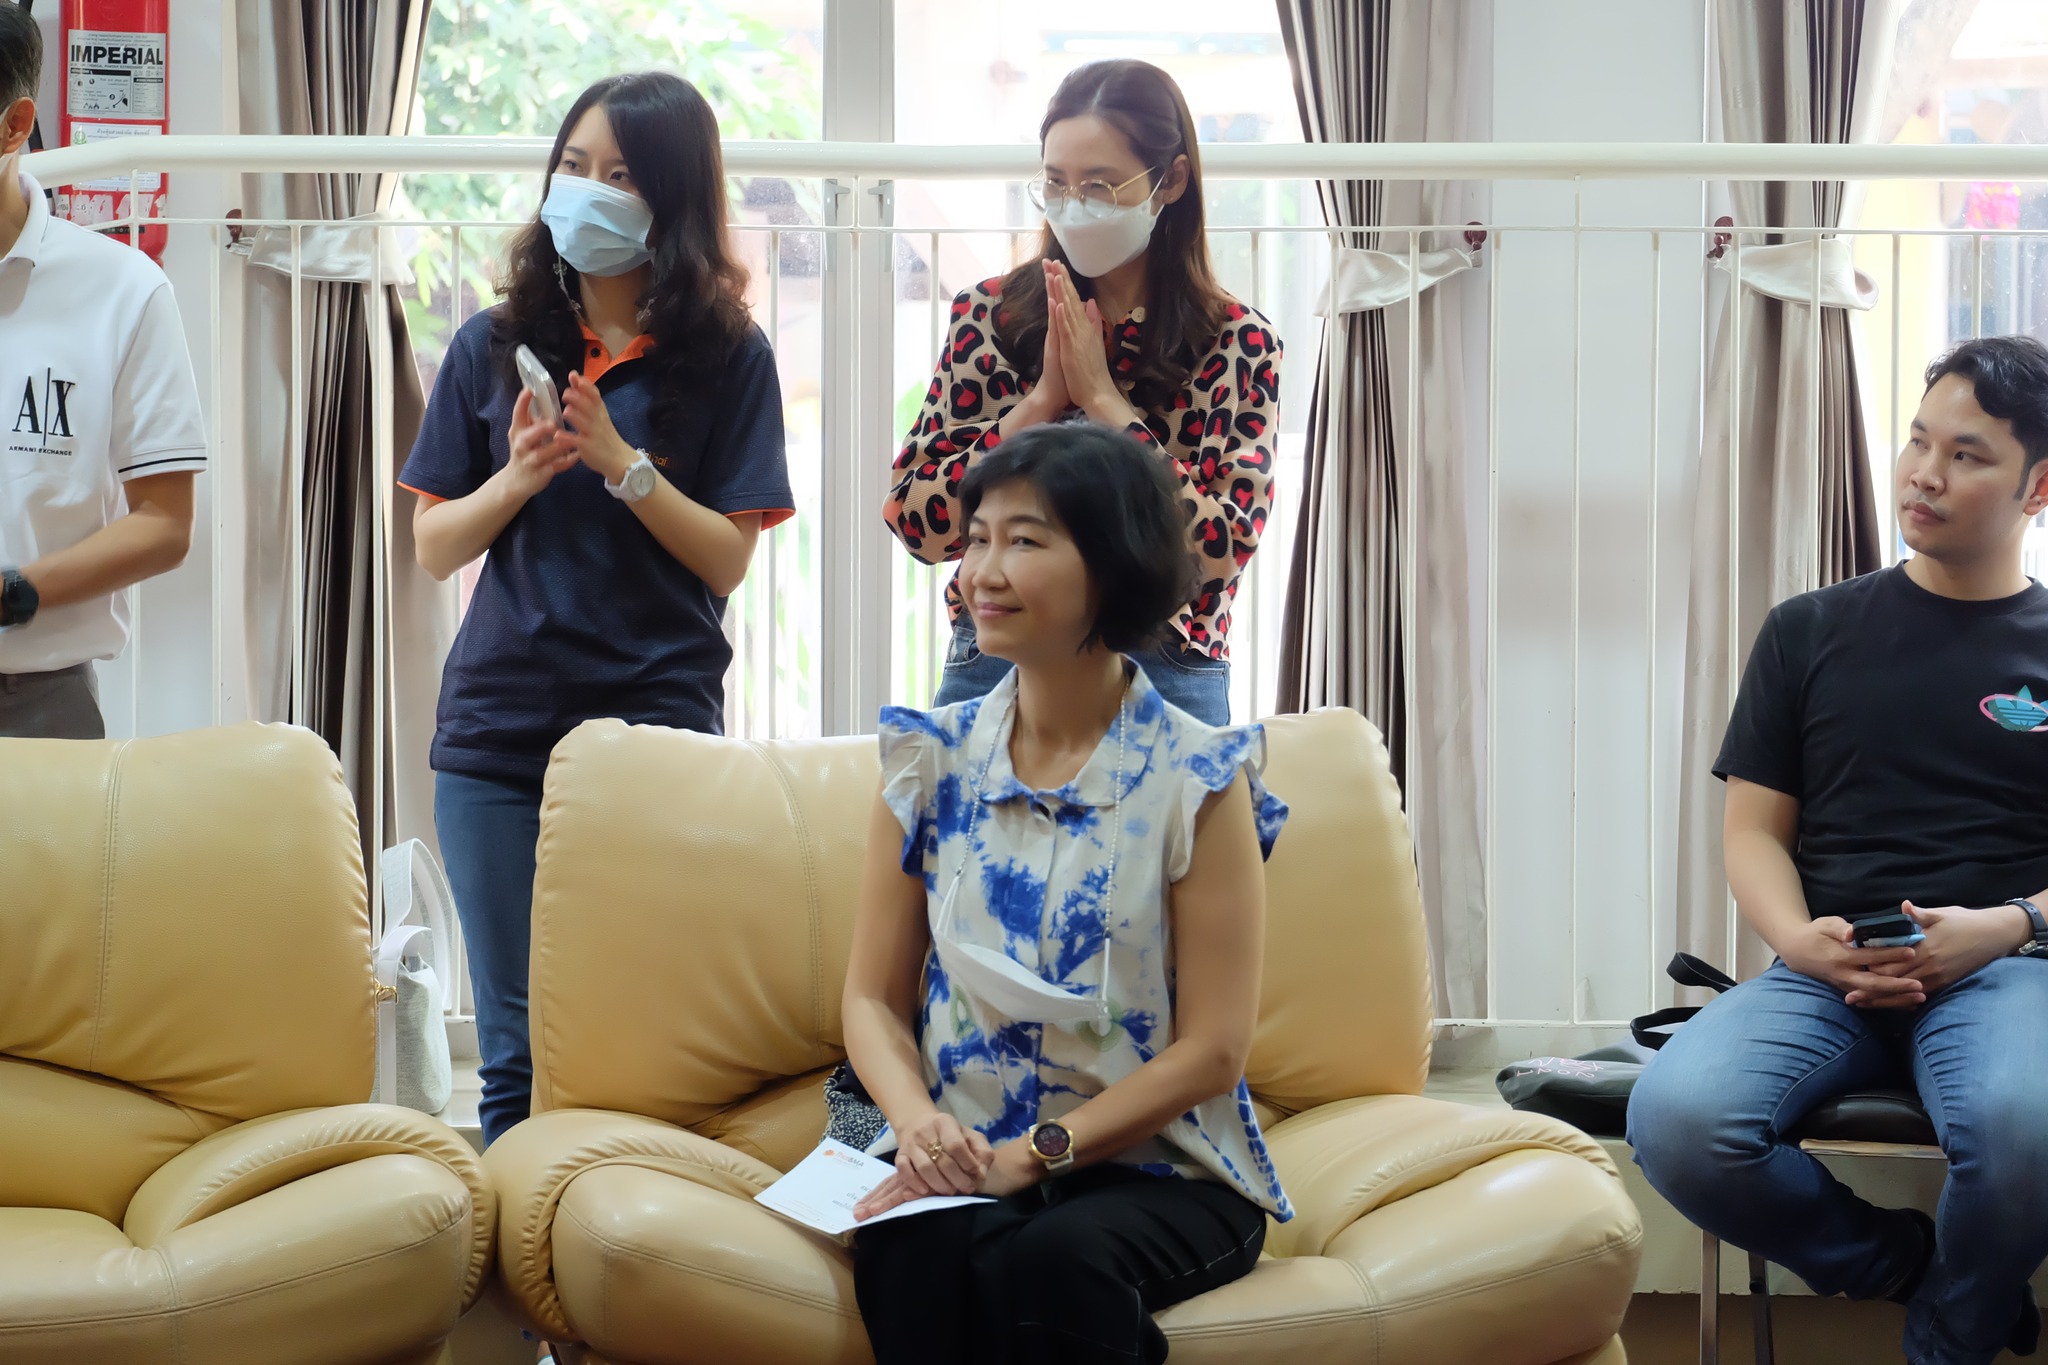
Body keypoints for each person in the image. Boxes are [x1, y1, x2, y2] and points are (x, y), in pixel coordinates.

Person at [1628, 336, 2048, 1365]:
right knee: (1679, 1120)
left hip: (2006, 969)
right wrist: (1795, 940)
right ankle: (1907, 1267)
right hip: (1829, 968)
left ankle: (1945, 1341)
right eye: (1917, 441)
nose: (1923, 473)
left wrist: (2008, 925)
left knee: (2025, 1132)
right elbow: (1752, 832)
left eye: (1966, 454)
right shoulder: (1807, 630)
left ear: (2037, 487)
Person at [842, 421, 1291, 1365]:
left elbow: (1215, 1050)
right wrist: (919, 1126)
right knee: (909, 1248)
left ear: (1112, 565)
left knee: (1054, 1260)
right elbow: (872, 998)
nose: (982, 571)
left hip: (1158, 1169)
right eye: (976, 539)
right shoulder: (926, 759)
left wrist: (1032, 1155)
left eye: (1024, 539)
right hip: (960, 1147)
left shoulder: (1200, 778)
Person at [398, 72, 792, 1146]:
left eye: (619, 175)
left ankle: (619, 1231)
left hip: (652, 728)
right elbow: (435, 545)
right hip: (497, 733)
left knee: (642, 1037)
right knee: (515, 1051)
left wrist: (624, 465)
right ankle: (524, 1253)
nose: (586, 190)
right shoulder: (492, 344)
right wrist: (519, 476)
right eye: (573, 165)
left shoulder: (729, 356)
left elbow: (727, 560)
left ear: (673, 200)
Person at [883, 59, 1282, 726]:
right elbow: (915, 521)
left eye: (1100, 185)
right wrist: (1038, 405)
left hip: (1166, 659)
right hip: (1000, 652)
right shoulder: (994, 317)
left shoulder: (1237, 342)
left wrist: (1108, 407)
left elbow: (1218, 550)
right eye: (1056, 183)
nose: (1074, 204)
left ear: (1171, 180)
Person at [0, 6, 204, 738]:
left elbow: (164, 524)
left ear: (14, 126)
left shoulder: (123, 290)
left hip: (37, 703)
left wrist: (12, 595)